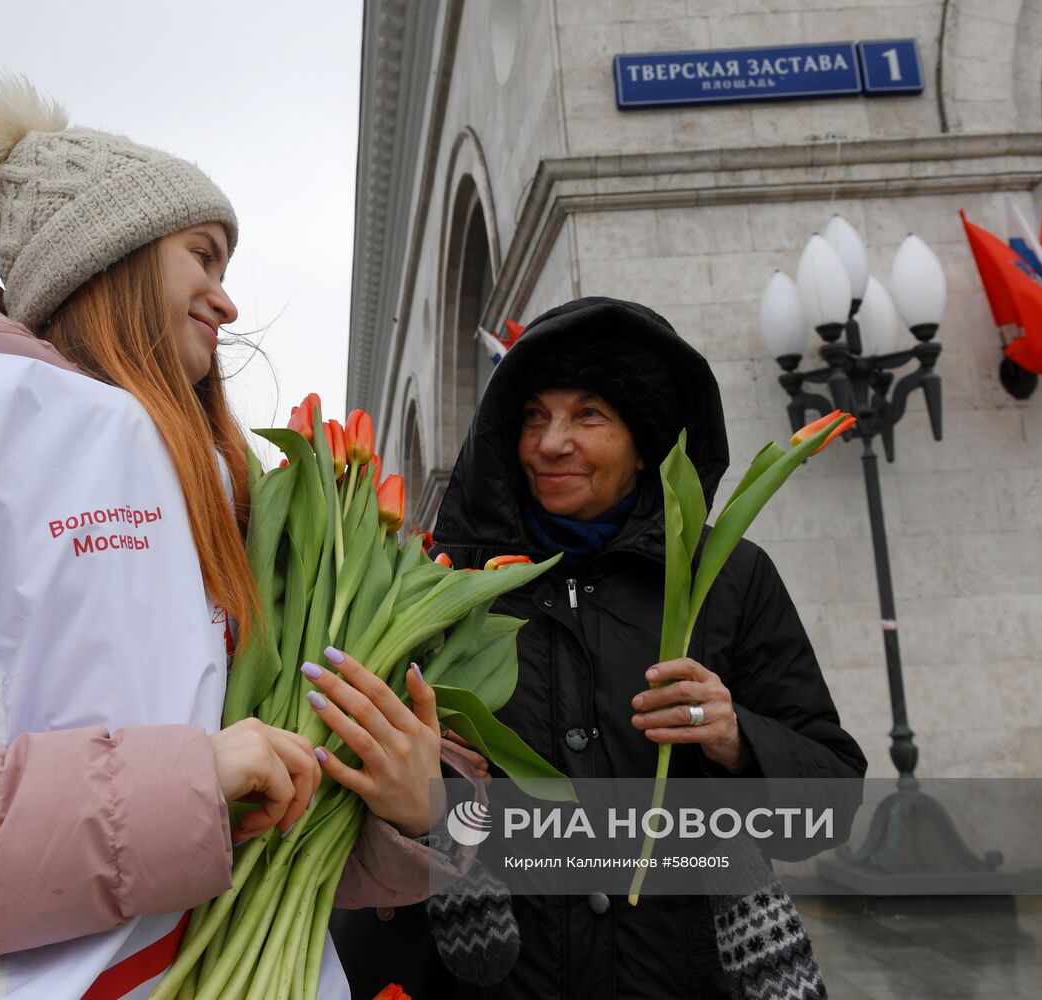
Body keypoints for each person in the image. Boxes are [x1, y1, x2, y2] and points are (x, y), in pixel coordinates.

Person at [0, 75, 469, 1000]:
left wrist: (416, 817)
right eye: (203, 257)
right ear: (107, 263)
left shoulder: (216, 502)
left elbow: (262, 833)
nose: (226, 301)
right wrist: (185, 789)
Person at [332, 297, 867, 999]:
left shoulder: (729, 578)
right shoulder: (443, 587)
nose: (551, 443)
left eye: (589, 416)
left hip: (684, 978)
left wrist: (737, 738)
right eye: (533, 416)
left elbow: (829, 797)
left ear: (644, 443)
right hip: (492, 978)